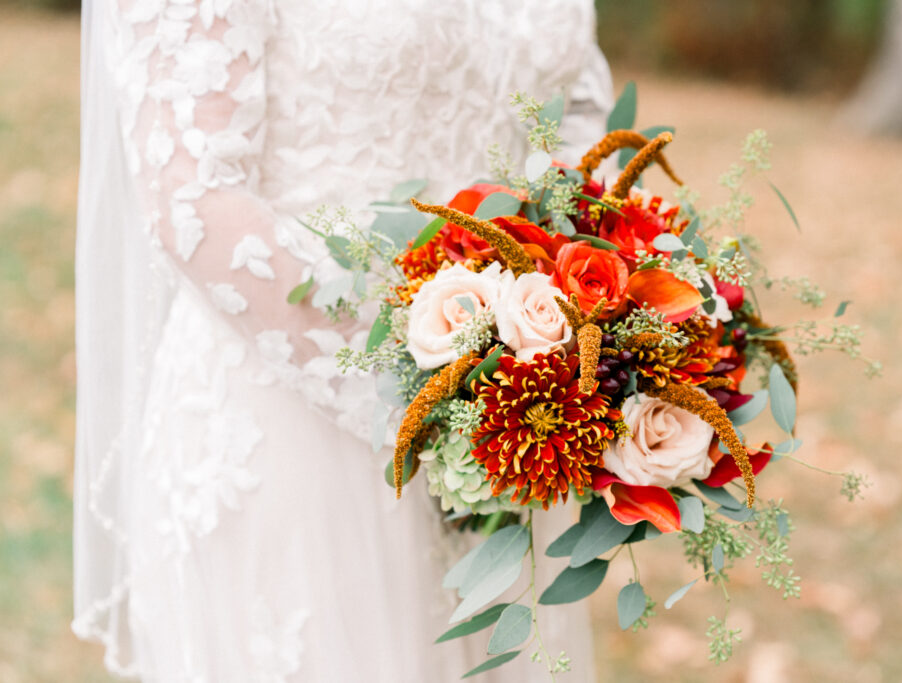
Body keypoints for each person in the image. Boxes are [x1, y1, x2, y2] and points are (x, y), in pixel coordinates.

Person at [74, 0, 614, 680]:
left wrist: (605, 311)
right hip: (297, 418)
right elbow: (194, 204)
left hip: (512, 417)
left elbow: (580, 133)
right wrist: (427, 393)